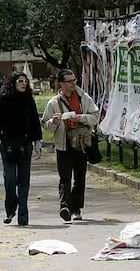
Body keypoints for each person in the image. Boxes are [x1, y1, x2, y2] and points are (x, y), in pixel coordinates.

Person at [42, 69, 99, 222]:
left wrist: (80, 117)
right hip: (63, 144)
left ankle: (76, 208)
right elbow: (45, 125)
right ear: (62, 83)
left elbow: (95, 117)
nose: (73, 83)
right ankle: (65, 207)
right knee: (64, 178)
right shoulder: (53, 102)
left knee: (80, 179)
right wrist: (53, 122)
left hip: (81, 143)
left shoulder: (83, 98)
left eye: (74, 80)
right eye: (70, 81)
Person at [0, 72, 42, 226]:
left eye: (25, 81)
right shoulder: (4, 100)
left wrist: (38, 143)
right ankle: (11, 209)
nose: (23, 84)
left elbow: (35, 122)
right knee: (10, 180)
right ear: (13, 83)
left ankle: (23, 217)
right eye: (20, 81)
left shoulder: (28, 100)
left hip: (25, 145)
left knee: (24, 183)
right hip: (8, 145)